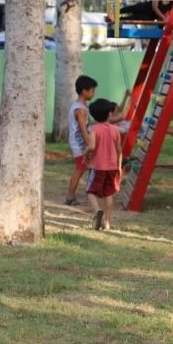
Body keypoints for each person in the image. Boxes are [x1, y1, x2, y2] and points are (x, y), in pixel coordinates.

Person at [86, 98, 123, 231]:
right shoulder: (116, 130)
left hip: (98, 167)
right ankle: (107, 223)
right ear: (109, 114)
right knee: (109, 194)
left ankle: (97, 211)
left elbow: (91, 147)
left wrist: (86, 155)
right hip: (112, 167)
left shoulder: (93, 129)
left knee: (90, 191)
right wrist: (119, 165)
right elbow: (119, 150)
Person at [65, 75, 97, 206]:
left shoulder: (80, 105)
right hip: (79, 144)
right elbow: (83, 130)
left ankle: (91, 191)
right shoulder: (80, 109)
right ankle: (70, 197)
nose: (93, 93)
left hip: (80, 142)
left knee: (85, 167)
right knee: (80, 169)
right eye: (92, 91)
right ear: (84, 91)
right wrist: (90, 144)